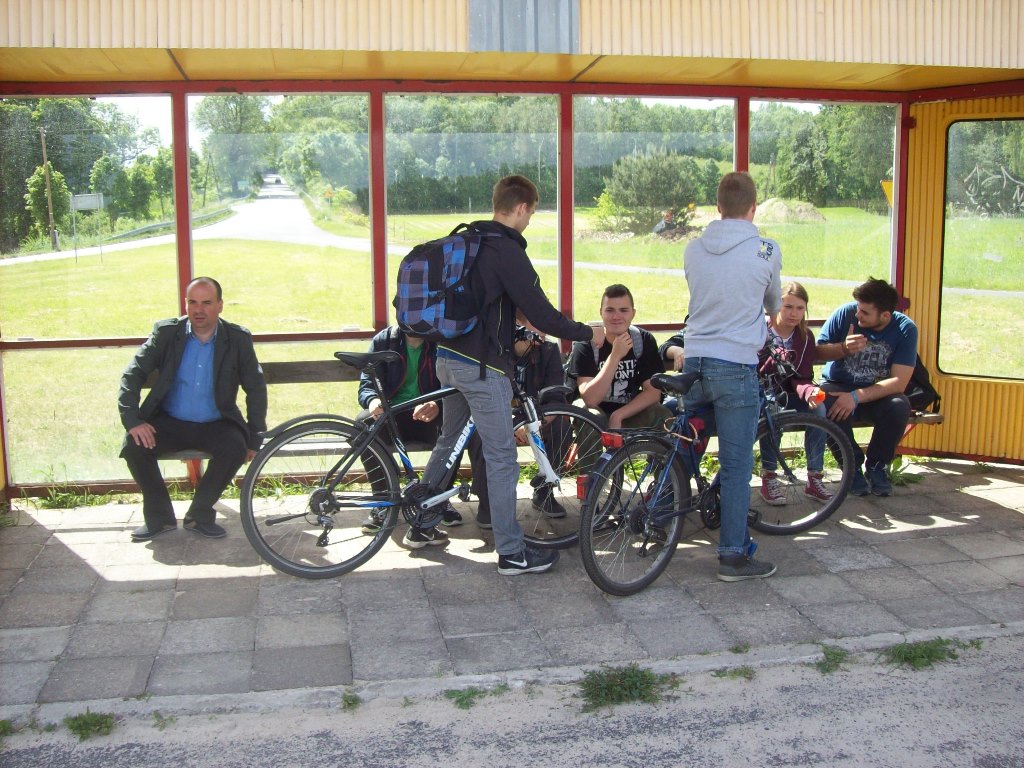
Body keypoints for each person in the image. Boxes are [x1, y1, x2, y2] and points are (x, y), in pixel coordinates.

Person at [414, 174, 604, 575]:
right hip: (482, 367)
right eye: (531, 213)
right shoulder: (506, 250)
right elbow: (542, 313)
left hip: (447, 357)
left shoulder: (470, 242)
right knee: (502, 457)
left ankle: (421, 522)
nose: (530, 220)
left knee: (449, 440)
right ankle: (512, 553)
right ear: (521, 207)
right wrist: (588, 333)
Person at [682, 171, 782, 582]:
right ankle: (733, 556)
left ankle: (660, 510)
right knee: (737, 464)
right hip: (736, 365)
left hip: (694, 361)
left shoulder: (693, 248)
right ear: (754, 208)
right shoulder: (766, 249)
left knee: (686, 444)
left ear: (718, 207)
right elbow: (773, 303)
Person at [118, 277, 267, 541]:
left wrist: (255, 437)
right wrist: (133, 421)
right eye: (192, 302)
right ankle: (159, 518)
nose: (199, 310)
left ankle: (199, 515)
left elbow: (255, 388)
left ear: (220, 305)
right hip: (170, 421)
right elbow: (132, 375)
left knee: (235, 448)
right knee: (134, 446)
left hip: (216, 423)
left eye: (207, 303)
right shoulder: (166, 333)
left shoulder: (237, 339)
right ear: (186, 304)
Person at [355, 325, 462, 540]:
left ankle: (439, 499)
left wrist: (438, 404)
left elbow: (454, 384)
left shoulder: (442, 341)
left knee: (454, 430)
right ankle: (382, 501)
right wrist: (373, 401)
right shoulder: (384, 341)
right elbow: (367, 384)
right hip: (391, 414)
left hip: (427, 413)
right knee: (364, 428)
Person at [816, 277, 918, 497]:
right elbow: (817, 352)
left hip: (876, 392)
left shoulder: (905, 329)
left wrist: (855, 396)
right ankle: (851, 466)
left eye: (865, 312)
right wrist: (843, 348)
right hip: (837, 385)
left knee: (899, 405)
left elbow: (899, 382)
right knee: (826, 403)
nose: (857, 314)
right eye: (858, 308)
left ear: (885, 315)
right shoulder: (845, 314)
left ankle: (877, 466)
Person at [469, 316, 571, 529]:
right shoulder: (494, 350)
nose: (544, 331)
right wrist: (509, 423)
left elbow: (555, 396)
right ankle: (487, 502)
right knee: (478, 433)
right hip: (496, 416)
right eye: (538, 323)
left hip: (536, 417)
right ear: (517, 324)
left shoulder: (549, 350)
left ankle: (544, 491)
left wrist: (535, 424)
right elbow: (481, 395)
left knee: (561, 426)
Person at [758, 281, 832, 504]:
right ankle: (769, 476)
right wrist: (775, 359)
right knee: (773, 411)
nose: (794, 313)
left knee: (819, 409)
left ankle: (814, 477)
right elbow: (754, 371)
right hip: (763, 393)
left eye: (800, 308)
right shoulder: (761, 331)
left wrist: (810, 392)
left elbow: (802, 376)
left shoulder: (805, 336)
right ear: (776, 306)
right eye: (788, 307)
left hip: (791, 394)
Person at [566, 284, 672, 429]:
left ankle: (651, 446)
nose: (616, 317)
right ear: (601, 312)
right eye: (610, 310)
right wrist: (615, 356)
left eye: (623, 310)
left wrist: (618, 415)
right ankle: (596, 446)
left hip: (629, 409)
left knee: (662, 414)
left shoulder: (643, 340)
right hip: (595, 409)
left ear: (633, 313)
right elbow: (590, 399)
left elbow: (653, 393)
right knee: (591, 417)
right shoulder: (587, 342)